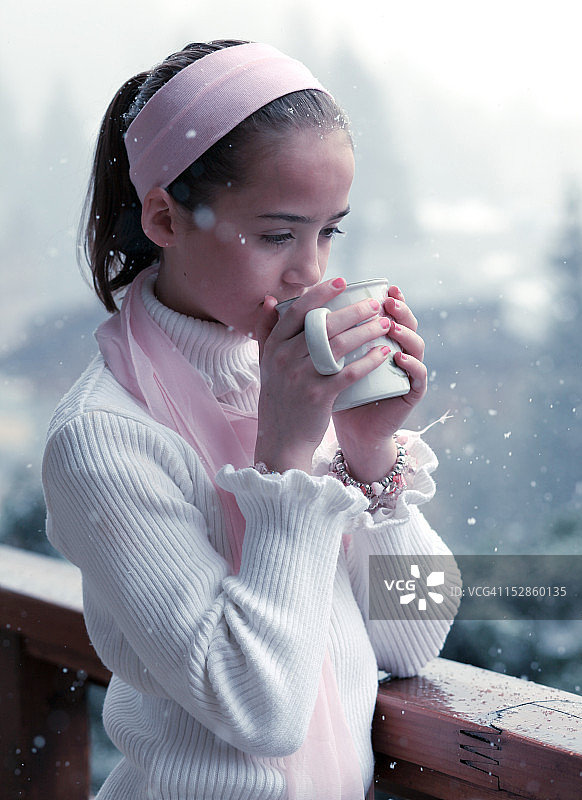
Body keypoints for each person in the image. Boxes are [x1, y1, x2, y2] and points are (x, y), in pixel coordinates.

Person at [42, 39, 458, 799]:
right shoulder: (102, 439)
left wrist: (370, 456)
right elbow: (261, 712)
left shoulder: (297, 379)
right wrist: (287, 457)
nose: (311, 271)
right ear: (164, 217)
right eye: (277, 235)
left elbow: (417, 635)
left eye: (329, 230)